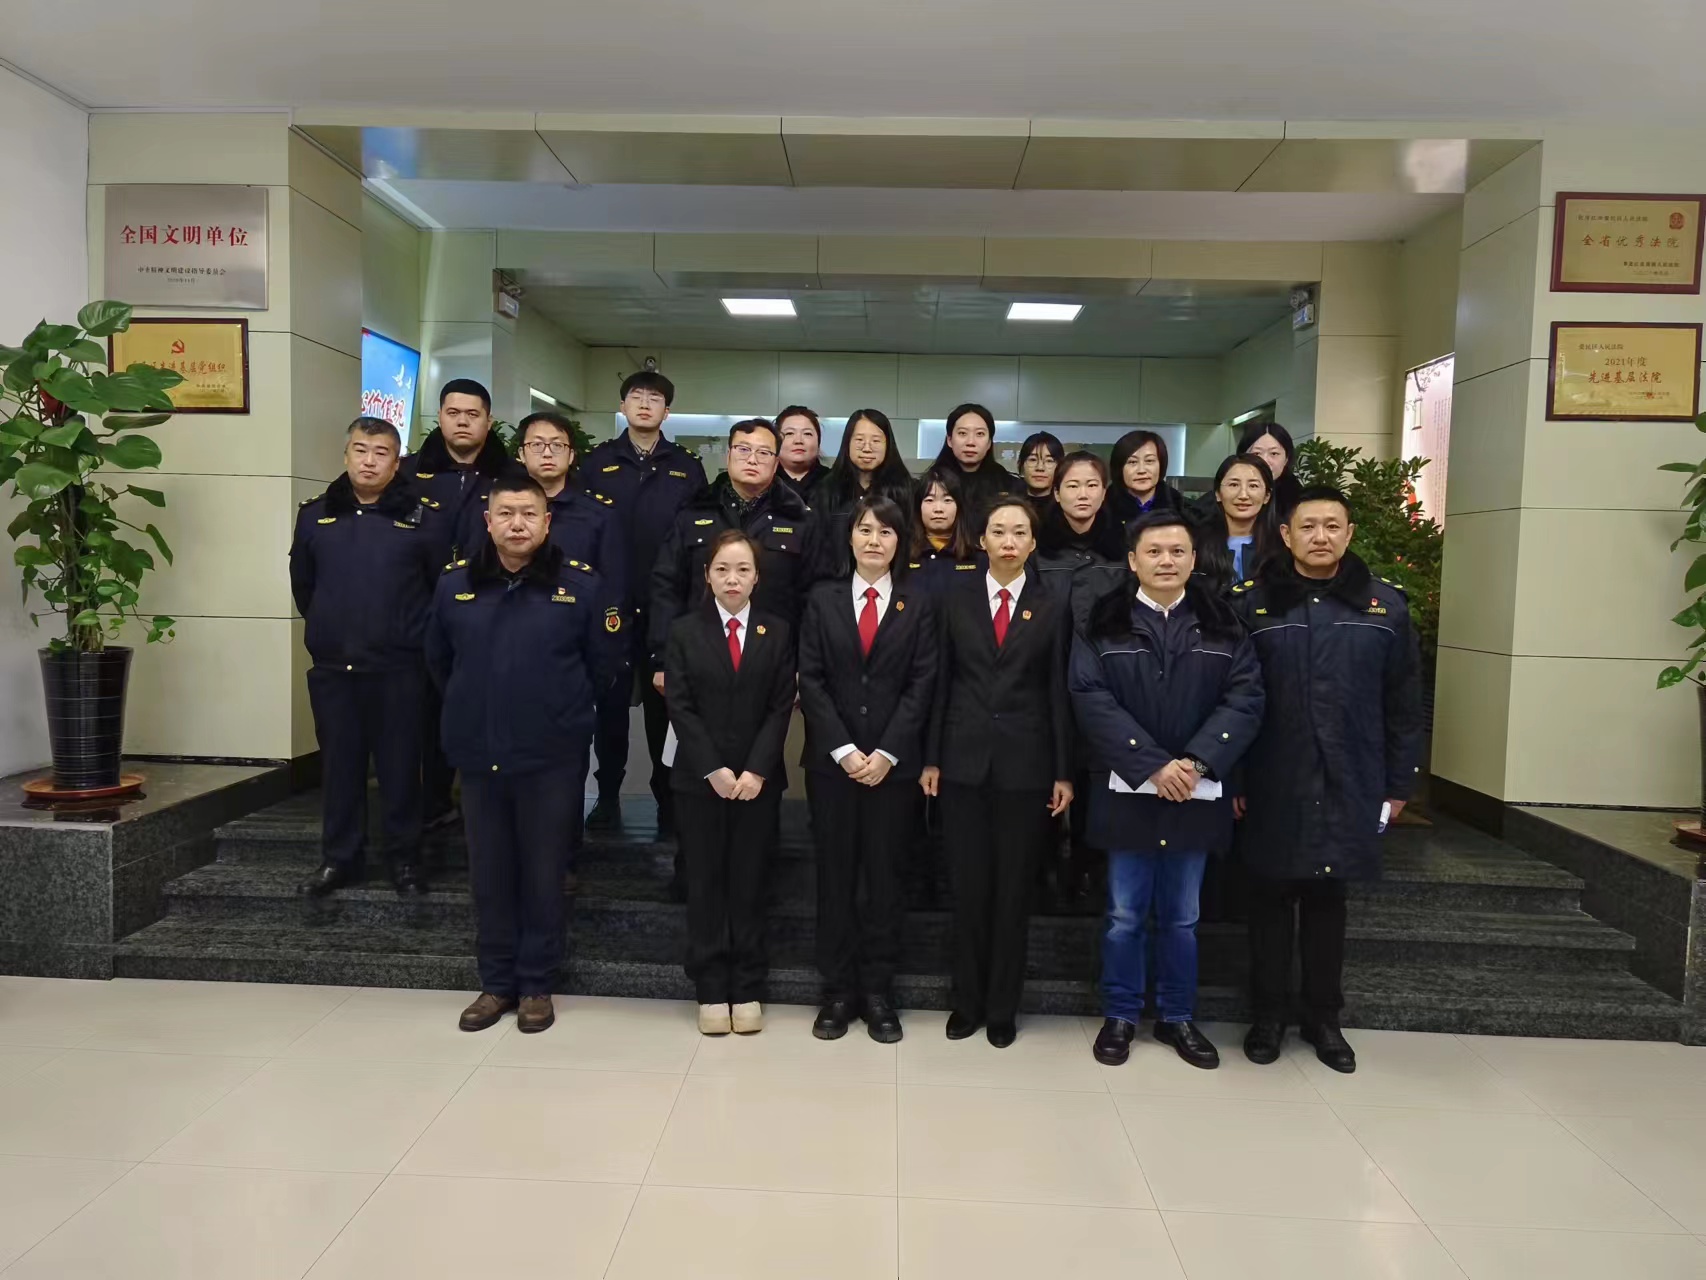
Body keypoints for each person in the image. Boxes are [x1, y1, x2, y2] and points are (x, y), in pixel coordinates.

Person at [1230, 486, 1423, 1074]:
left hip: (1351, 776)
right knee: (1267, 899)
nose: (1321, 537)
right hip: (1272, 774)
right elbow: (1232, 698)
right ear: (1285, 535)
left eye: (1332, 526)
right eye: (1308, 526)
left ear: (1350, 534)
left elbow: (1404, 704)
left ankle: (1323, 1019)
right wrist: (1233, 776)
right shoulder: (1253, 605)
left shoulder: (1385, 608)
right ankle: (1268, 1016)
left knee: (1327, 900)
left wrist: (1398, 785)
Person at [426, 472, 627, 1035]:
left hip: (551, 755)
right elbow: (439, 662)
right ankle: (496, 983)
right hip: (479, 752)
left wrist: (561, 713)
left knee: (544, 872)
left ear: (547, 522)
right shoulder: (455, 585)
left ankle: (537, 983)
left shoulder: (581, 585)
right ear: (488, 522)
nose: (518, 524)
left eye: (529, 514)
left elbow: (604, 666)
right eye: (506, 514)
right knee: (489, 873)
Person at [1070, 512, 1265, 1070]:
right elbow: (1089, 697)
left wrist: (1196, 762)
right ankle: (1121, 1014)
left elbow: (1246, 698)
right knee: (1124, 914)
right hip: (1127, 789)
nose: (1166, 561)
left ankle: (1177, 1016)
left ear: (1193, 559)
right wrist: (1153, 764)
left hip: (1195, 792)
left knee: (1182, 917)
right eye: (1154, 552)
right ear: (1133, 560)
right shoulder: (1103, 623)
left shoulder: (1223, 623)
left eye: (1177, 551)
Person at [922, 496, 1074, 1047]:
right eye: (999, 531)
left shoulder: (1053, 602)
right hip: (961, 761)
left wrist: (1063, 771)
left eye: (1019, 532)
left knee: (1013, 893)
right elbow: (939, 680)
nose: (1009, 541)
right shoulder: (953, 597)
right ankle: (966, 1001)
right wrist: (932, 756)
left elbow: (1058, 690)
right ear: (981, 540)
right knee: (967, 890)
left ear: (1033, 543)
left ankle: (1002, 1007)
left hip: (1026, 767)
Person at [797, 496, 938, 1044]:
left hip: (892, 770)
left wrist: (886, 753)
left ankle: (878, 991)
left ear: (900, 542)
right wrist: (843, 750)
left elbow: (922, 683)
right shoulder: (822, 599)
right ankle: (836, 992)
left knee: (884, 879)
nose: (874, 540)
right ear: (850, 538)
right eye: (865, 530)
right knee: (835, 879)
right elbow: (811, 678)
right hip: (832, 767)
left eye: (885, 531)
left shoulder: (918, 602)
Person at [290, 416, 443, 900]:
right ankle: (340, 858)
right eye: (360, 450)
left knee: (401, 769)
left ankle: (404, 859)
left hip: (400, 669)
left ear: (397, 463)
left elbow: (439, 591)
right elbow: (304, 587)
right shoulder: (315, 516)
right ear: (346, 455)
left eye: (381, 453)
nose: (369, 461)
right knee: (340, 769)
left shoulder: (424, 518)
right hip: (335, 670)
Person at [664, 530, 796, 1036]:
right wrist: (713, 769)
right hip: (701, 781)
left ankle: (747, 985)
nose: (732, 579)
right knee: (705, 883)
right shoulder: (684, 631)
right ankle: (710, 987)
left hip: (757, 782)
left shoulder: (777, 631)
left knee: (749, 883)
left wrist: (756, 769)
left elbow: (781, 706)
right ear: (707, 575)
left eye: (742, 569)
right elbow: (681, 706)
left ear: (757, 577)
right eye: (722, 569)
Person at [577, 370, 708, 839]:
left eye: (655, 399)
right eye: (637, 396)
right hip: (609, 606)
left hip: (665, 607)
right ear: (623, 406)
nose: (645, 404)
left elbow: (698, 541)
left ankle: (668, 801)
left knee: (664, 710)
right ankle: (608, 796)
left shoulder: (686, 467)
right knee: (609, 709)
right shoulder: (596, 463)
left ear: (667, 412)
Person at [517, 410, 628, 878]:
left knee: (566, 767)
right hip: (509, 660)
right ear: (521, 453)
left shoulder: (596, 513)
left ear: (571, 453)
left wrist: (600, 666)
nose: (547, 453)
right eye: (537, 444)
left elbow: (611, 594)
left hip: (571, 664)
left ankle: (562, 860)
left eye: (556, 445)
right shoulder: (501, 506)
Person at [408, 378, 513, 829]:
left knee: (486, 715)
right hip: (419, 617)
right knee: (422, 719)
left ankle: (483, 811)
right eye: (454, 413)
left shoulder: (511, 478)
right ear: (439, 418)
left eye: (473, 414)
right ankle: (430, 805)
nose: (463, 422)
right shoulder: (407, 474)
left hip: (489, 617)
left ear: (489, 422)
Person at [1034, 451, 1126, 907]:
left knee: (1096, 790)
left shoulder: (1124, 550)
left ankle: (1088, 880)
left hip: (1105, 691)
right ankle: (1045, 880)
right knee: (1045, 786)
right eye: (1072, 485)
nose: (1082, 494)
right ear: (1056, 492)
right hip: (1043, 687)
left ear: (1104, 493)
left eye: (1092, 485)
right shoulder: (1038, 550)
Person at [650, 418, 820, 658]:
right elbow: (667, 586)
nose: (752, 460)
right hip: (699, 653)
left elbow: (813, 597)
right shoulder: (694, 511)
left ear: (775, 464)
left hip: (775, 656)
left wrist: (805, 663)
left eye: (763, 453)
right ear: (728, 456)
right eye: (743, 449)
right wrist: (662, 657)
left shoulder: (799, 519)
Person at [816, 409, 916, 573]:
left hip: (891, 581)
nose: (867, 448)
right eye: (859, 440)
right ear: (847, 443)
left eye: (876, 440)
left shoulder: (907, 490)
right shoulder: (827, 489)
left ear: (888, 445)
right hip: (836, 581)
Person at [1194, 453, 1280, 595]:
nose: (1243, 495)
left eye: (1253, 486)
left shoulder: (1282, 546)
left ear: (1267, 496)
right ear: (1218, 494)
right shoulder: (1196, 542)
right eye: (1234, 485)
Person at [931, 402, 1021, 524]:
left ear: (989, 443)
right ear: (950, 440)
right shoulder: (931, 484)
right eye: (962, 433)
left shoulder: (1009, 486)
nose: (971, 442)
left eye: (980, 434)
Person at [906, 465, 983, 598]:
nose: (938, 509)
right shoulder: (902, 555)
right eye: (929, 500)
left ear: (959, 507)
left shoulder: (978, 556)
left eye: (947, 500)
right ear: (918, 507)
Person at [1108, 429, 1185, 528]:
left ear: (1161, 464)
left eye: (1149, 461)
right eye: (1132, 462)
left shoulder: (1180, 508)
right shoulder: (1102, 510)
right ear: (1119, 468)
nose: (1141, 470)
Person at [1237, 421, 1302, 520]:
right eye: (1256, 454)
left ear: (1286, 459)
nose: (1265, 461)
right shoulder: (1228, 492)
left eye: (1274, 454)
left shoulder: (1300, 500)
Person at [776, 405, 830, 505]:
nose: (798, 440)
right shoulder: (763, 482)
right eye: (789, 433)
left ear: (818, 442)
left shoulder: (835, 482)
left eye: (807, 434)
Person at [1017, 431, 1064, 510]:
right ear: (1020, 465)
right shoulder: (1008, 506)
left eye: (1049, 461)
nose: (1040, 468)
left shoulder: (1066, 508)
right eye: (1033, 460)